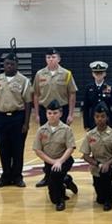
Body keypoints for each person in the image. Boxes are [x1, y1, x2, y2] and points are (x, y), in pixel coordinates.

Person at [0, 53, 32, 189]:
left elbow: (28, 103)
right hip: (0, 118)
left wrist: (26, 123)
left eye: (12, 64)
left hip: (18, 117)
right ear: (4, 65)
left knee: (18, 149)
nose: (9, 66)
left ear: (17, 65)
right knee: (3, 149)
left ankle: (17, 177)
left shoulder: (23, 81)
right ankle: (5, 176)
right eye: (7, 64)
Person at [33, 48, 78, 188]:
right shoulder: (39, 74)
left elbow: (72, 93)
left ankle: (62, 174)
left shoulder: (66, 74)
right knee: (47, 144)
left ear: (59, 59)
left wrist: (70, 113)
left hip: (61, 110)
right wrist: (36, 113)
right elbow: (36, 94)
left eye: (53, 57)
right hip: (45, 110)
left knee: (61, 143)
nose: (50, 59)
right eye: (48, 57)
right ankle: (48, 175)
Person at [32, 100, 78, 211]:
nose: (52, 116)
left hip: (65, 160)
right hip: (49, 161)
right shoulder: (41, 130)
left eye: (55, 113)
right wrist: (53, 162)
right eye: (49, 113)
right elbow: (38, 150)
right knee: (54, 176)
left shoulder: (66, 129)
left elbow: (70, 148)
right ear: (46, 114)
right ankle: (66, 180)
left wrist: (60, 161)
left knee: (54, 177)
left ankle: (60, 201)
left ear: (61, 114)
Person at [80, 103, 112, 211]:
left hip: (111, 165)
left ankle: (109, 201)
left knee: (105, 174)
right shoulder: (90, 135)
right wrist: (97, 164)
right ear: (94, 118)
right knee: (99, 199)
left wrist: (107, 164)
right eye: (97, 117)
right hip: (96, 166)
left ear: (107, 117)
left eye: (103, 116)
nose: (100, 119)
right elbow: (85, 155)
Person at [82, 61, 112, 130]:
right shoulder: (89, 87)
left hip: (108, 120)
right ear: (93, 74)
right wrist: (86, 124)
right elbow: (86, 107)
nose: (98, 75)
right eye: (96, 73)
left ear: (105, 74)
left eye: (101, 73)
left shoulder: (111, 86)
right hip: (93, 121)